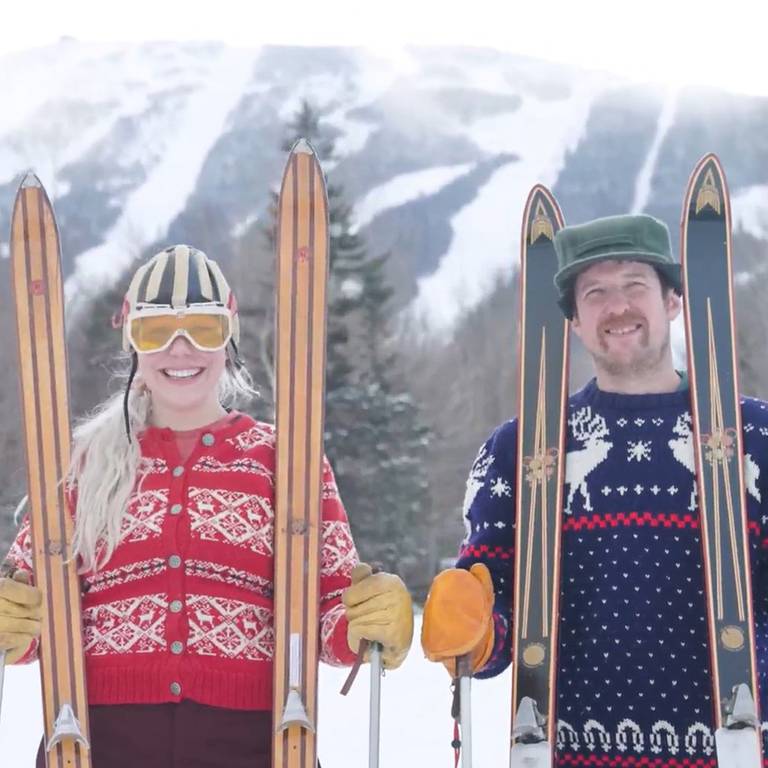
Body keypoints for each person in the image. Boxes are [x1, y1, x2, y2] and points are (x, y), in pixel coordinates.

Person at [0, 245, 413, 768]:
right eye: (156, 332)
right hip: (100, 739)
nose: (180, 349)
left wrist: (365, 622)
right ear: (131, 340)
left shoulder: (284, 460)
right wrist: (13, 620)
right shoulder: (83, 465)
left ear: (230, 336)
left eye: (203, 328)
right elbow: (33, 610)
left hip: (252, 741)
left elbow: (327, 613)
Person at [421, 214, 768, 764]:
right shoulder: (522, 449)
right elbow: (496, 622)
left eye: (635, 285)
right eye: (596, 293)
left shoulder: (753, 438)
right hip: (572, 754)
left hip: (734, 750)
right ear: (575, 322)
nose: (618, 307)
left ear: (673, 301)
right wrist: (474, 629)